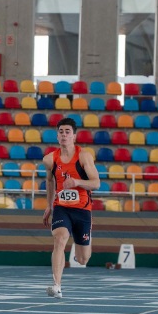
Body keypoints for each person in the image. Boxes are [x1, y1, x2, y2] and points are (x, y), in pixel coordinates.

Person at [41, 117, 100, 299]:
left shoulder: (84, 156)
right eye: (61, 132)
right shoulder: (50, 159)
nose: (64, 135)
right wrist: (49, 205)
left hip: (82, 209)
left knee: (83, 259)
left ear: (74, 136)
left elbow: (96, 183)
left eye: (67, 132)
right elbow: (50, 182)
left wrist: (76, 182)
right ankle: (57, 285)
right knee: (59, 239)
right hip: (62, 207)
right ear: (57, 136)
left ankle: (84, 238)